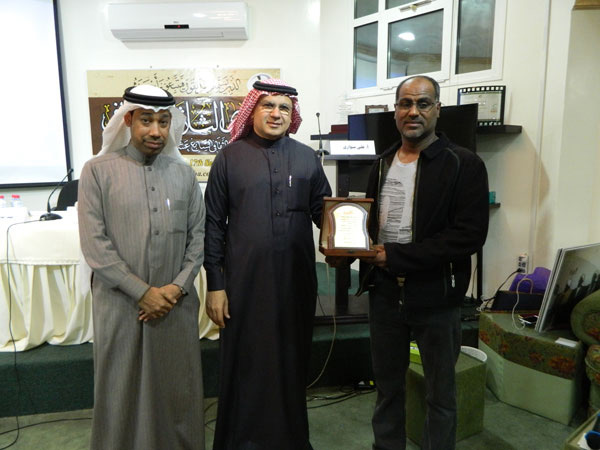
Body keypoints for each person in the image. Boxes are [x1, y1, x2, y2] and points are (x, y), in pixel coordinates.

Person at [330, 75, 489, 450]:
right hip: (385, 293)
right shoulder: (382, 163)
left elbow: (468, 236)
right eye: (405, 103)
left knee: (440, 394)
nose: (413, 111)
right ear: (395, 111)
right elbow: (371, 226)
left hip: (437, 296)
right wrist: (347, 252)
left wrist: (397, 255)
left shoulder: (463, 164)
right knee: (387, 389)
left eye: (422, 103)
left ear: (437, 110)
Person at [203, 78, 332, 450]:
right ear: (253, 110)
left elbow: (324, 213)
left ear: (292, 115)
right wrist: (216, 285)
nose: (276, 114)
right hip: (244, 282)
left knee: (292, 362)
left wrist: (346, 240)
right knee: (248, 362)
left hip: (296, 282)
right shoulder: (230, 157)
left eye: (284, 108)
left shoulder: (307, 158)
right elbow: (213, 224)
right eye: (268, 106)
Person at [78, 85, 206, 450]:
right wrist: (142, 292)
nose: (156, 131)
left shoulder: (183, 175)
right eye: (146, 120)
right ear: (128, 120)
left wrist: (175, 289)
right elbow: (95, 246)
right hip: (121, 305)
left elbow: (198, 238)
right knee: (121, 388)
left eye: (163, 122)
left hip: (175, 305)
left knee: (177, 388)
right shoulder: (97, 171)